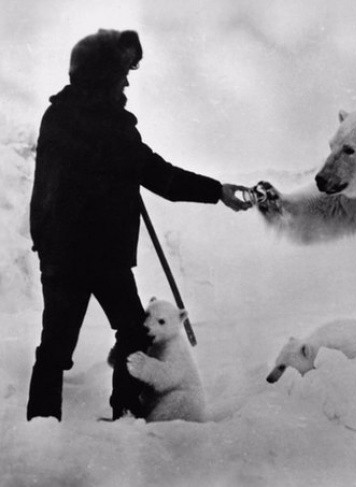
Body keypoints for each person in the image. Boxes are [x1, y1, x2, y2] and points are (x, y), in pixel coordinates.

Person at [27, 29, 252, 421]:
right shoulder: (111, 126)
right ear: (103, 75)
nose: (128, 81)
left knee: (58, 346)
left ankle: (42, 429)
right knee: (130, 334)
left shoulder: (59, 115)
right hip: (99, 255)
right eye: (123, 73)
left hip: (64, 253)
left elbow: (46, 187)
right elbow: (160, 176)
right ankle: (125, 414)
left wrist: (44, 241)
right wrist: (218, 191)